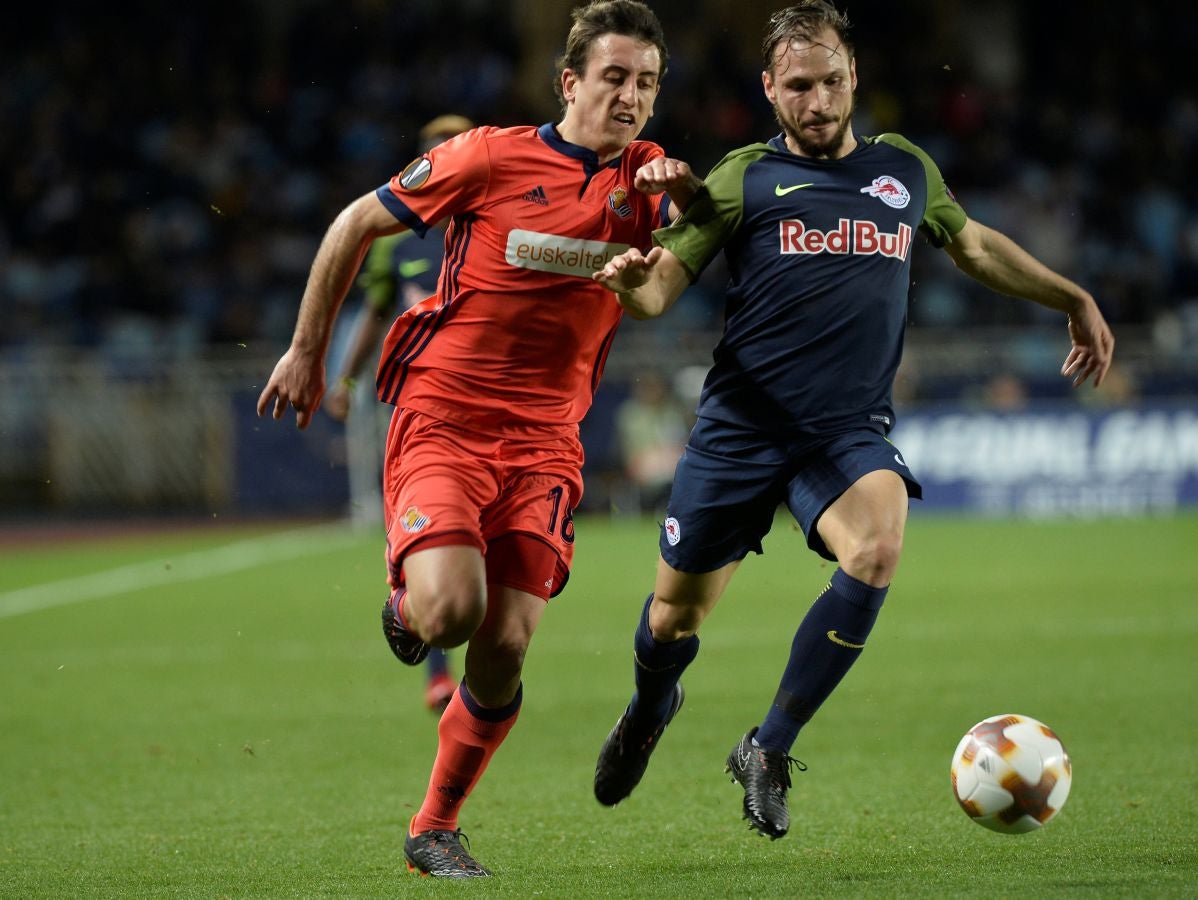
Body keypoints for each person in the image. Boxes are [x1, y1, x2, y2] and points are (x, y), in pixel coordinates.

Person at [590, 0, 1114, 841]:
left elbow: (973, 244)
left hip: (842, 431)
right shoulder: (741, 176)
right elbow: (659, 289)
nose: (820, 100)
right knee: (672, 619)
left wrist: (1074, 297)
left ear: (853, 76)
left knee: (877, 544)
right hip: (741, 428)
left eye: (832, 81)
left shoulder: (903, 170)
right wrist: (628, 282)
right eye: (799, 86)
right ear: (770, 88)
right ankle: (651, 705)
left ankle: (767, 748)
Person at [257, 0, 700, 878]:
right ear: (570, 81)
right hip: (445, 419)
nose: (631, 96)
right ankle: (408, 606)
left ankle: (434, 828)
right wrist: (308, 351)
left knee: (503, 647)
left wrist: (677, 200)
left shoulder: (647, 177)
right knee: (452, 612)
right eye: (614, 77)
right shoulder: (488, 156)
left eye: (646, 82)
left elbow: (682, 246)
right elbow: (354, 223)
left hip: (546, 444)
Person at [323, 114, 475, 715]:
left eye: (453, 148)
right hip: (417, 402)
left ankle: (460, 648)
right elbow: (374, 308)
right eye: (433, 152)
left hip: (488, 405)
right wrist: (347, 378)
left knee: (481, 543)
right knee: (427, 533)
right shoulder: (395, 238)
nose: (443, 161)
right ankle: (437, 667)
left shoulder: (499, 219)